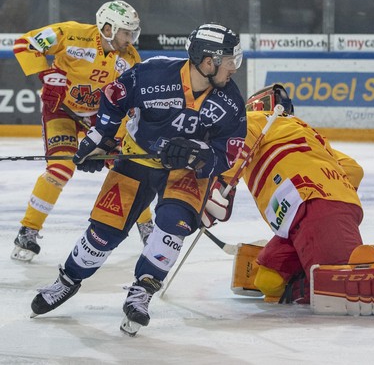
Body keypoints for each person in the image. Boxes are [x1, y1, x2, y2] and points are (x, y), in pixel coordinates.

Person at [28, 23, 247, 337]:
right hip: (137, 158)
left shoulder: (230, 101)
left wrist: (199, 153)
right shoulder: (154, 74)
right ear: (208, 61)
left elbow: (228, 151)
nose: (233, 68)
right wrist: (100, 139)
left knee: (173, 226)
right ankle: (68, 280)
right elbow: (115, 97)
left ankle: (142, 290)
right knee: (103, 232)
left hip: (186, 172)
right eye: (229, 61)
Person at [203, 84, 374, 313]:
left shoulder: (257, 120)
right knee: (268, 278)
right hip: (316, 210)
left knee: (344, 289)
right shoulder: (308, 135)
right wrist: (331, 199)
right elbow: (353, 170)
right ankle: (318, 268)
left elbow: (237, 144)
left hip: (312, 206)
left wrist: (219, 183)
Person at [11, 0, 154, 262]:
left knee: (125, 169)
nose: (130, 38)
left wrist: (115, 138)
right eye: (126, 31)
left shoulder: (130, 58)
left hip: (101, 119)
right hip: (61, 110)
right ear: (108, 28)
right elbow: (24, 44)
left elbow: (128, 104)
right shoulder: (72, 33)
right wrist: (45, 74)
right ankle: (28, 230)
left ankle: (146, 225)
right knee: (60, 168)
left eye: (133, 32)